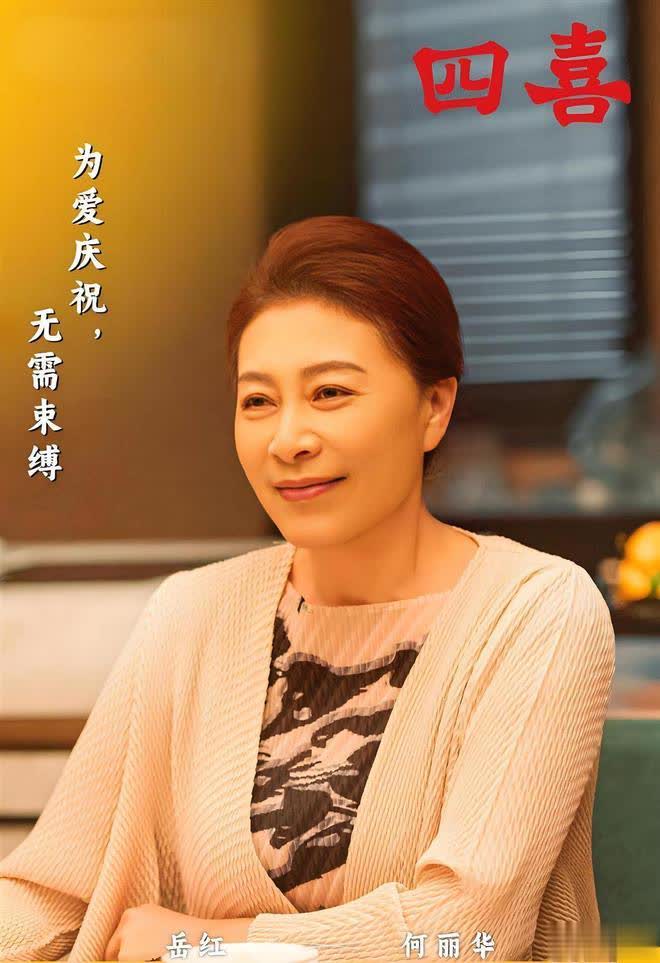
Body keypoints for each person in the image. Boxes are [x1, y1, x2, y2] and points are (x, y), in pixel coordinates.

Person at [0, 216, 615, 962]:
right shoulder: (194, 612)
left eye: (329, 392)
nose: (288, 439)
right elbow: (51, 896)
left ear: (434, 407)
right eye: (258, 401)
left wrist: (205, 944)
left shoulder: (536, 611)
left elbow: (468, 929)